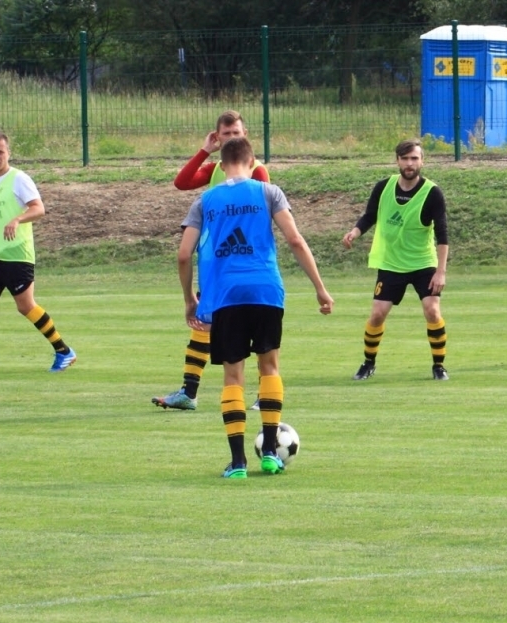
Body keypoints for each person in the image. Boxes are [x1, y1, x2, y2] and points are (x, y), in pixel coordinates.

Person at [177, 136, 333, 479]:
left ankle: (237, 463)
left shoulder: (205, 200)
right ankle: (271, 455)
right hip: (265, 290)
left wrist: (190, 299)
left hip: (225, 295)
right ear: (252, 162)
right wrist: (320, 288)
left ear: (222, 165)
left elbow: (184, 254)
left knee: (233, 376)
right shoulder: (269, 192)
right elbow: (295, 240)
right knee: (270, 368)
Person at [154, 110, 270, 409]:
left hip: (245, 262)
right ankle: (189, 392)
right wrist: (204, 150)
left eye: (236, 133)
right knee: (201, 325)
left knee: (258, 332)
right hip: (217, 262)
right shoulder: (214, 168)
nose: (232, 139)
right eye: (226, 134)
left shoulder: (258, 171)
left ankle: (263, 394)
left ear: (246, 136)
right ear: (217, 137)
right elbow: (182, 182)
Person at [0, 132, 77, 374]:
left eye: (0, 151)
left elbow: (39, 208)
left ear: (8, 153)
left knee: (25, 306)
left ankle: (64, 351)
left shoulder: (19, 179)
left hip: (17, 255)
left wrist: (17, 219)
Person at [342, 140, 451, 381]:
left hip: (423, 263)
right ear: (397, 161)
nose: (410, 163)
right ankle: (368, 363)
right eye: (405, 158)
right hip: (391, 263)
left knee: (432, 311)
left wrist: (440, 271)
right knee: (377, 314)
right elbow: (370, 216)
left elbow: (442, 234)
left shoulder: (432, 192)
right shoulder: (383, 187)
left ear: (422, 161)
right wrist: (354, 232)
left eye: (414, 158)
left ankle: (438, 366)